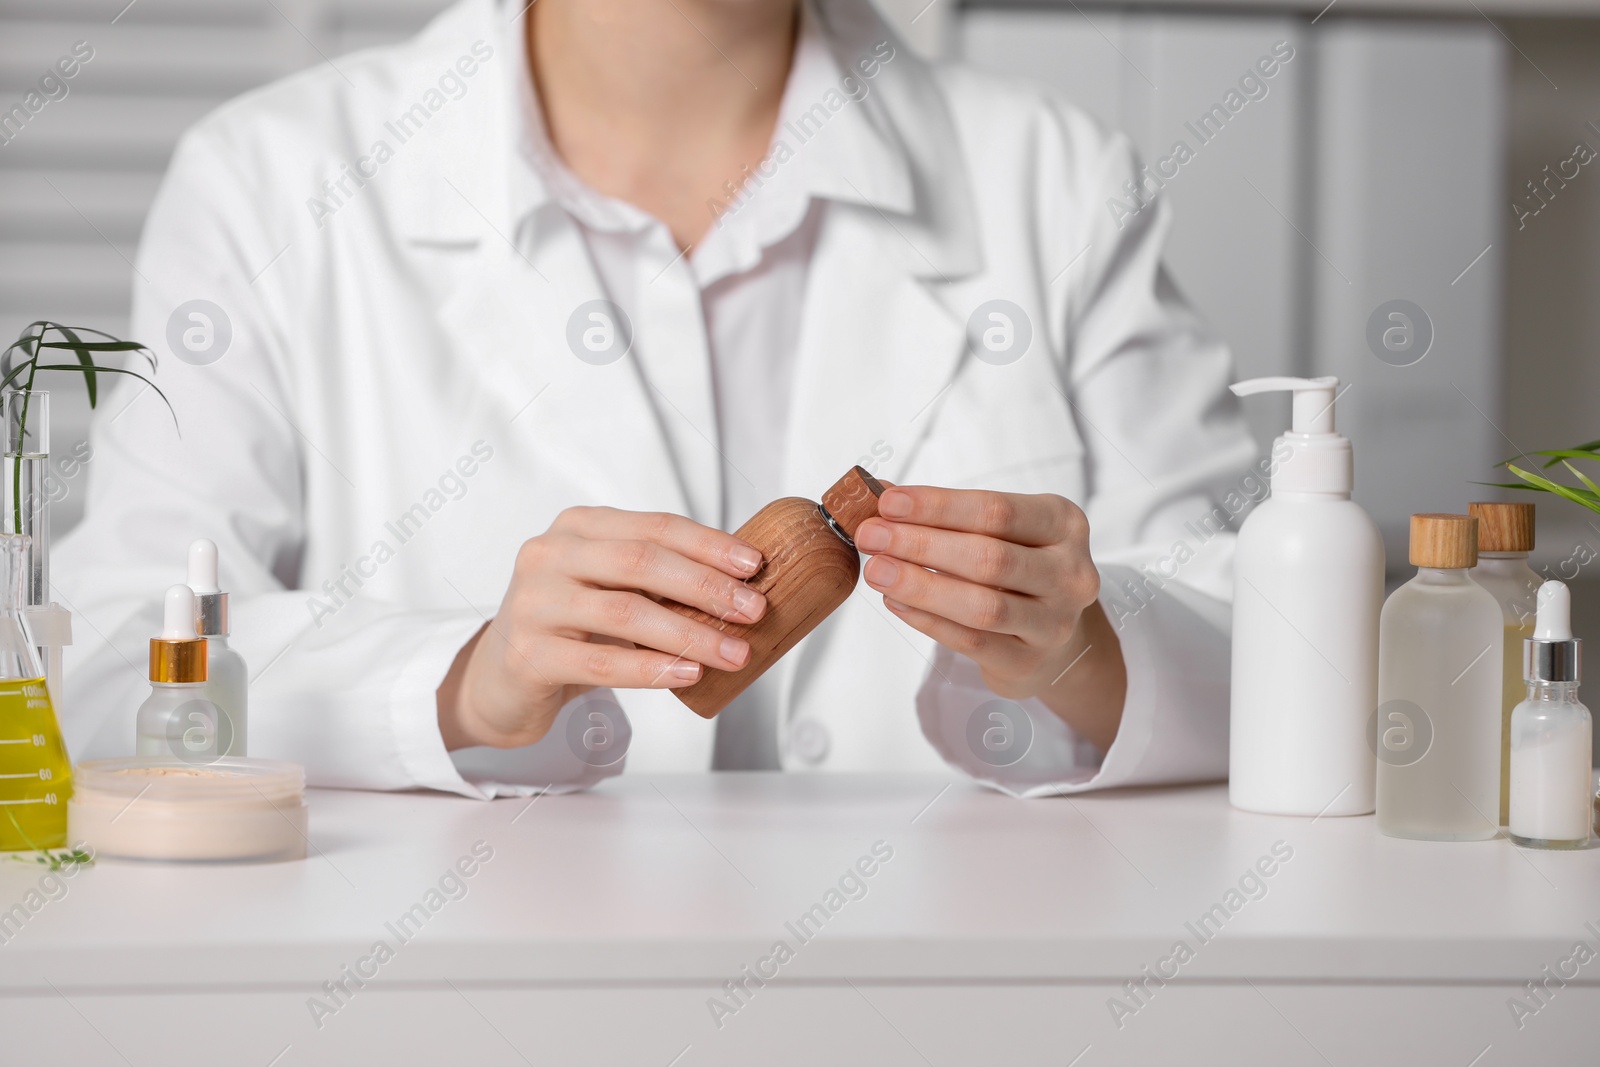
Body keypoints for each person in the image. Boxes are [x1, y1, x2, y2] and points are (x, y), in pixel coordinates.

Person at [54, 0, 1257, 799]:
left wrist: (1078, 645)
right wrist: (463, 678)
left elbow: (1266, 652)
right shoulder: (270, 184)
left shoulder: (1052, 180)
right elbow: (113, 672)